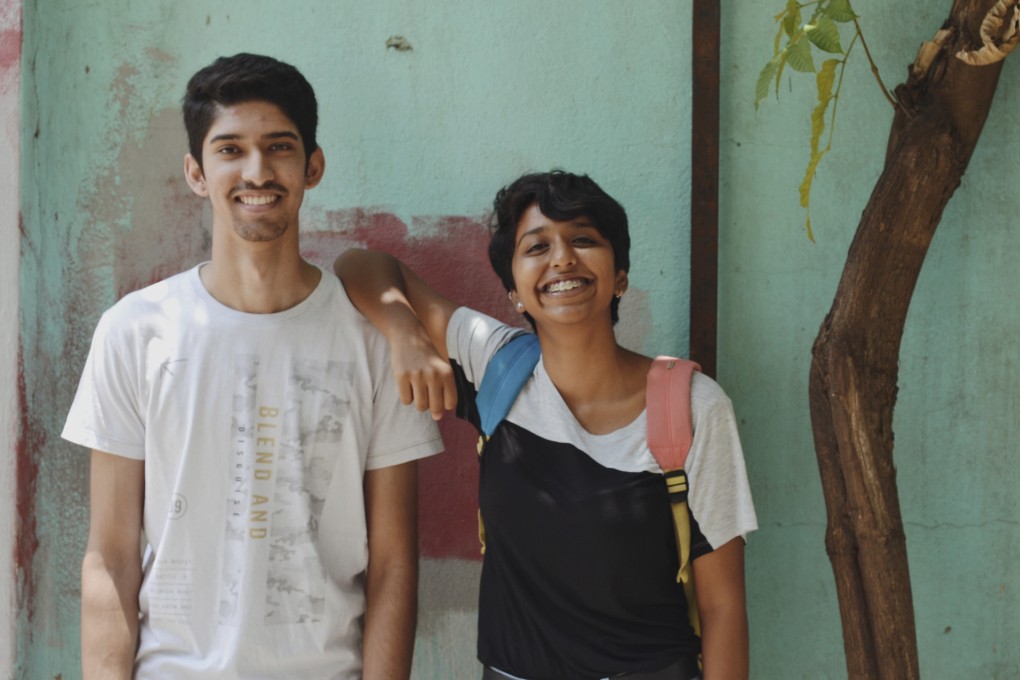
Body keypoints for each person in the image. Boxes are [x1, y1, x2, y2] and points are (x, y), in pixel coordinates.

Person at [62, 53, 443, 679]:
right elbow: (110, 555)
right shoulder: (134, 332)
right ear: (195, 172)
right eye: (230, 149)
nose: (257, 170)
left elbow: (395, 562)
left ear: (313, 166)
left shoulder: (373, 341)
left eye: (279, 147)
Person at [335, 170, 758, 680]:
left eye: (583, 239)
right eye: (537, 247)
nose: (562, 258)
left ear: (620, 274)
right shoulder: (497, 365)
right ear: (514, 290)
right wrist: (405, 333)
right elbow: (362, 265)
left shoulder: (692, 406)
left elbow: (723, 607)